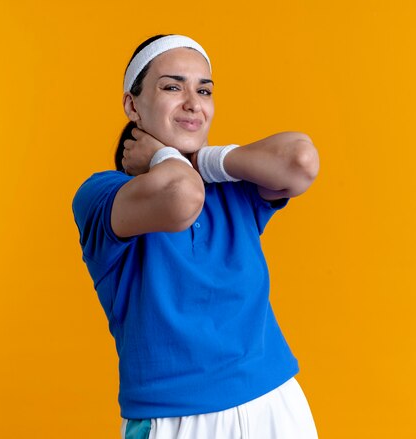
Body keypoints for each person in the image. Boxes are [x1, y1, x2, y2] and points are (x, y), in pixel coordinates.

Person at [72, 34, 320, 439]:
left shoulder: (232, 186)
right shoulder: (102, 194)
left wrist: (204, 159)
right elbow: (181, 196)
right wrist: (164, 158)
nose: (193, 102)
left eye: (204, 90)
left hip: (274, 404)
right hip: (176, 419)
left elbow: (301, 161)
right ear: (132, 105)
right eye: (172, 86)